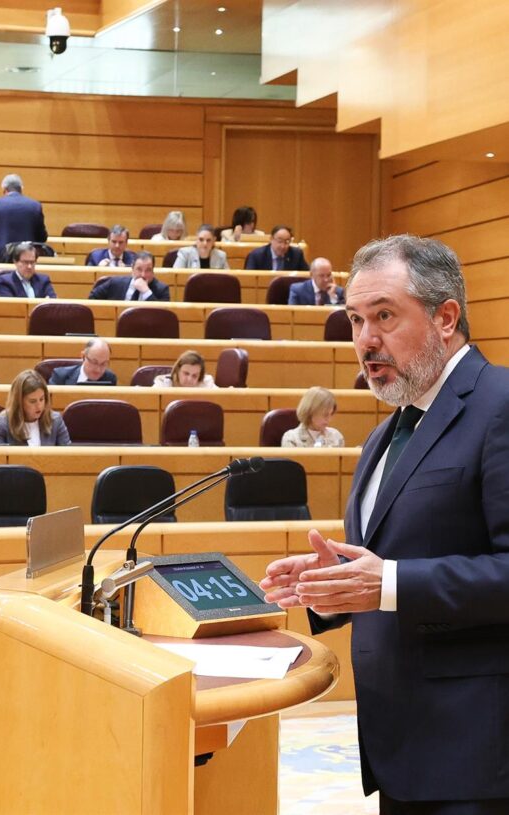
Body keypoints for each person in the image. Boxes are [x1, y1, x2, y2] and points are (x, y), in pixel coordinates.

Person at [259, 234, 509, 812]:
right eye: (354, 320)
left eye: (384, 316)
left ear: (447, 317)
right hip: (401, 746)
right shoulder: (386, 431)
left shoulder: (499, 406)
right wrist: (332, 587)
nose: (365, 340)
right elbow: (389, 561)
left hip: (479, 757)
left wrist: (388, 583)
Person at [0, 174, 48, 264]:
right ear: (21, 189)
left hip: (1, 258)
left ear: (5, 190)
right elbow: (42, 237)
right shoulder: (35, 205)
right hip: (27, 259)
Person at [0, 369, 70, 446]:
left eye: (41, 399)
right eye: (33, 401)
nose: (39, 406)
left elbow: (69, 457)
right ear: (19, 402)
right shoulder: (0, 425)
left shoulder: (55, 421)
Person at [88, 252, 170, 301]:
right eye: (139, 269)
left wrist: (146, 292)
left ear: (153, 271)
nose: (143, 275)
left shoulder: (162, 290)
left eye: (148, 270)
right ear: (132, 268)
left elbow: (162, 316)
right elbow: (92, 298)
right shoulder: (115, 283)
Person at [49, 338, 117, 385]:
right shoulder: (60, 376)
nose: (98, 370)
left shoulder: (110, 378)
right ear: (83, 356)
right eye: (94, 362)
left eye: (104, 364)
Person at [244, 225, 309, 271]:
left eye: (287, 242)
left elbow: (306, 276)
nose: (283, 246)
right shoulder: (256, 255)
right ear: (271, 239)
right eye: (280, 241)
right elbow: (249, 280)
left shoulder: (296, 255)